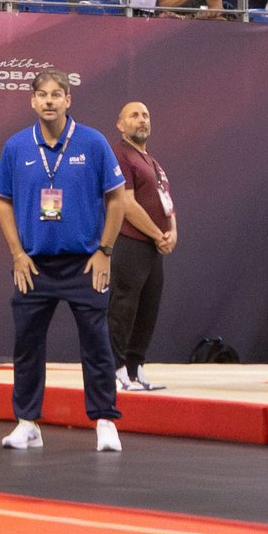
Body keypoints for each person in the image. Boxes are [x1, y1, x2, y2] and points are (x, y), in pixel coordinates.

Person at [0, 70, 127, 455]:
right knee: (27, 345)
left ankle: (105, 421)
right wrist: (17, 253)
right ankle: (27, 422)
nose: (49, 101)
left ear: (69, 100)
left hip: (85, 262)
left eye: (57, 94)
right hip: (34, 265)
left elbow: (117, 199)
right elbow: (3, 200)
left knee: (97, 344)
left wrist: (105, 251)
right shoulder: (17, 147)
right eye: (42, 95)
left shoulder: (93, 142)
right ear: (32, 101)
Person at [108, 99, 175, 394]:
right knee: (124, 308)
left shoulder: (155, 163)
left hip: (152, 249)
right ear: (121, 125)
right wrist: (157, 235)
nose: (142, 120)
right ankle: (116, 369)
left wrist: (172, 232)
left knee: (148, 309)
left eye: (146, 115)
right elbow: (126, 204)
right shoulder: (121, 155)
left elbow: (167, 204)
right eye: (134, 115)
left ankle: (136, 368)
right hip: (130, 243)